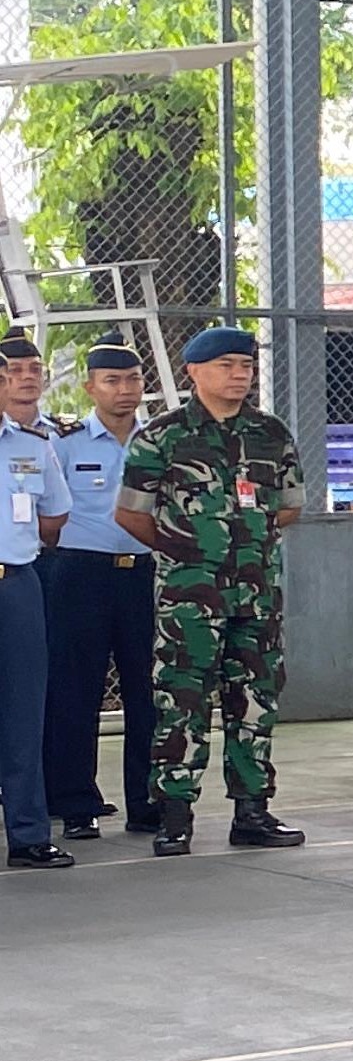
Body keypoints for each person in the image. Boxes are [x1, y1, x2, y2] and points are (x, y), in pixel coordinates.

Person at [117, 323, 306, 857]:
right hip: (189, 601)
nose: (240, 375)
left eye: (246, 367)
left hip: (257, 597)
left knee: (254, 701)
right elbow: (132, 513)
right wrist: (185, 551)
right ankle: (174, 816)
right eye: (227, 366)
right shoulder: (163, 436)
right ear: (194, 372)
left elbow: (291, 504)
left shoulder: (270, 433)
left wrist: (253, 541)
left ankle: (252, 811)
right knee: (182, 702)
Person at [43, 338, 162, 840]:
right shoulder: (63, 442)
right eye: (112, 380)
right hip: (80, 574)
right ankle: (75, 803)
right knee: (75, 690)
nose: (124, 390)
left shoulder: (159, 441)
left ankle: (147, 802)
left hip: (141, 574)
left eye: (133, 379)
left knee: (148, 690)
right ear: (90, 387)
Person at [0, 331, 71, 869]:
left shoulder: (32, 445)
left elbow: (53, 518)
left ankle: (27, 833)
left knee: (25, 710)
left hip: (16, 583)